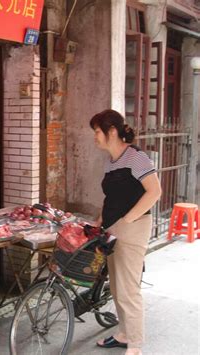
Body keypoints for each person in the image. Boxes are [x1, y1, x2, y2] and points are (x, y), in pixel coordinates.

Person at [90, 109, 162, 355]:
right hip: (112, 228)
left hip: (132, 227)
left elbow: (155, 191)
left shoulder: (135, 157)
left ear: (112, 131)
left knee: (129, 289)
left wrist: (128, 220)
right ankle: (123, 334)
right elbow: (112, 196)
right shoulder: (112, 161)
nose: (95, 137)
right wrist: (100, 220)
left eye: (97, 132)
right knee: (118, 287)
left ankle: (135, 345)